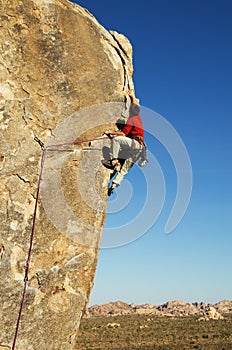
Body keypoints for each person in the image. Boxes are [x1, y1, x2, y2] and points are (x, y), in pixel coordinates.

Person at [102, 90, 146, 196]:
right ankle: (113, 185)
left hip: (134, 144)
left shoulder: (132, 120)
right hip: (139, 150)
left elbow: (122, 134)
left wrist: (109, 132)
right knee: (124, 170)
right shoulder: (138, 117)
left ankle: (114, 160)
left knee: (116, 140)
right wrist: (132, 96)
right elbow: (136, 104)